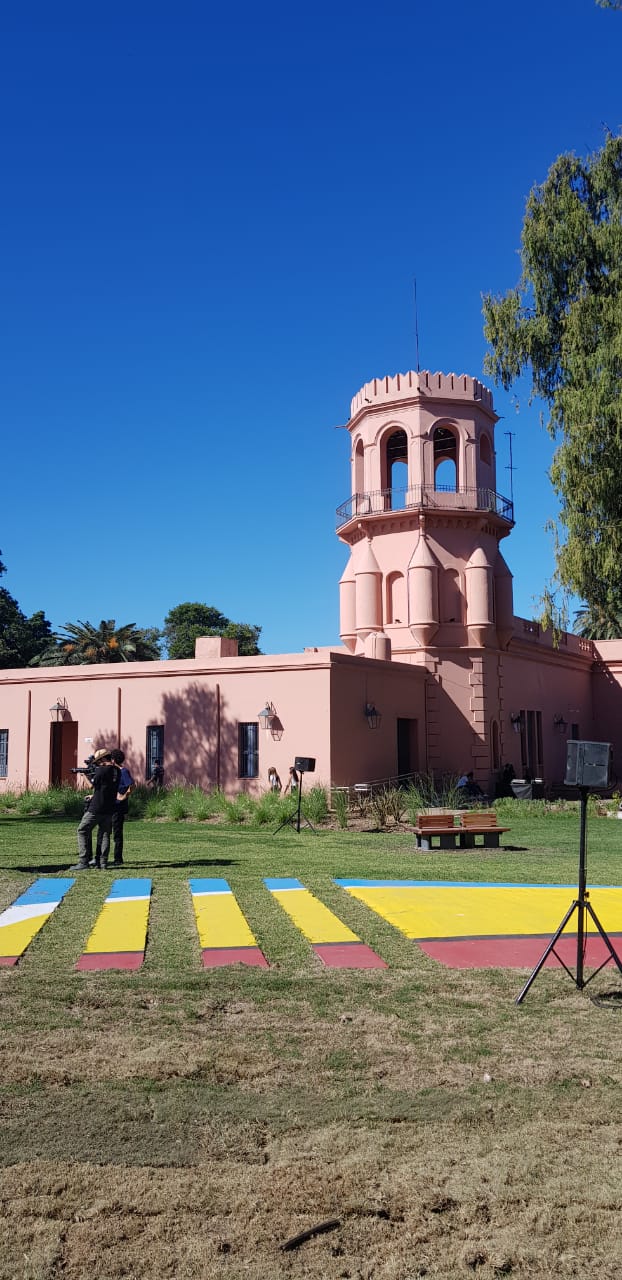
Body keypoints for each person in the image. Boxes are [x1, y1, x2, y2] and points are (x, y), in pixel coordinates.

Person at [71, 749, 120, 870]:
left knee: (82, 830)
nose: (98, 764)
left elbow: (92, 785)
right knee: (105, 834)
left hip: (96, 807)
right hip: (109, 808)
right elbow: (105, 788)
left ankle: (83, 861)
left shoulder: (101, 770)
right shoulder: (117, 771)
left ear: (103, 759)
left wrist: (84, 776)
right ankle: (103, 862)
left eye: (98, 761)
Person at [109, 748, 134, 866]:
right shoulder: (113, 772)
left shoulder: (123, 772)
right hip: (111, 805)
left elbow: (132, 785)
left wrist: (123, 796)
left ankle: (118, 858)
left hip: (119, 807)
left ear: (113, 760)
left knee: (117, 832)